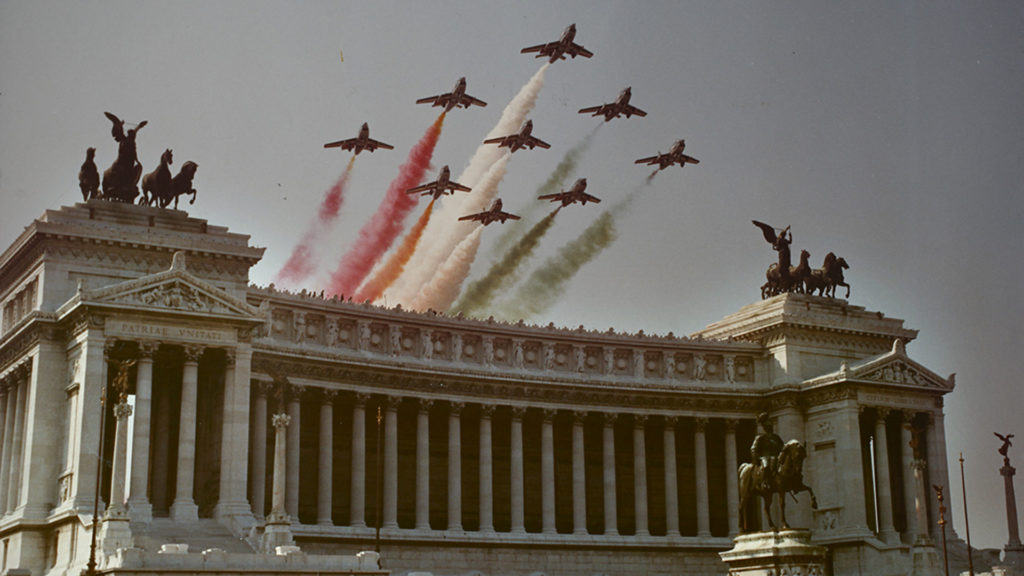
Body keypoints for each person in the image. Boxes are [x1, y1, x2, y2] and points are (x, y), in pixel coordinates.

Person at [751, 412, 784, 492]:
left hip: (775, 457)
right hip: (764, 457)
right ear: (765, 428)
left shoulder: (776, 437)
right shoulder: (760, 438)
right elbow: (754, 448)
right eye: (768, 426)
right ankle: (765, 481)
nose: (770, 428)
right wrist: (757, 457)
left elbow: (782, 447)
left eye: (771, 426)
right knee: (766, 466)